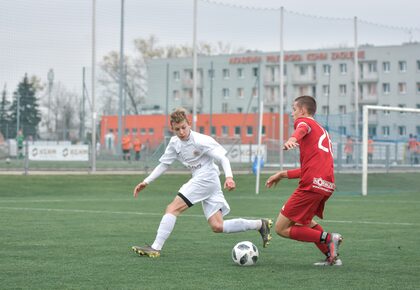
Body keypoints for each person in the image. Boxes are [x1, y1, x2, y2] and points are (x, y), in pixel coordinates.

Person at [132, 108, 272, 258]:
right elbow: (164, 164)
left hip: (207, 177)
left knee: (172, 208)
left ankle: (155, 247)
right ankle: (260, 224)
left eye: (184, 128)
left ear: (189, 124)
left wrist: (229, 177)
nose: (181, 132)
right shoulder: (174, 143)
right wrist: (146, 181)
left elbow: (223, 158)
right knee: (217, 226)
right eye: (177, 129)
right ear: (172, 128)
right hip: (207, 181)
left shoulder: (200, 140)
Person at [265, 95, 343, 266]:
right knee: (304, 222)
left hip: (312, 186)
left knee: (281, 228)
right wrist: (282, 174)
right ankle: (332, 258)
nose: (292, 113)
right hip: (326, 185)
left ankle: (330, 238)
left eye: (294, 109)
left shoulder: (304, 123)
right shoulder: (322, 130)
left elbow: (302, 127)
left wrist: (293, 139)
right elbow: (310, 168)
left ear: (302, 110)